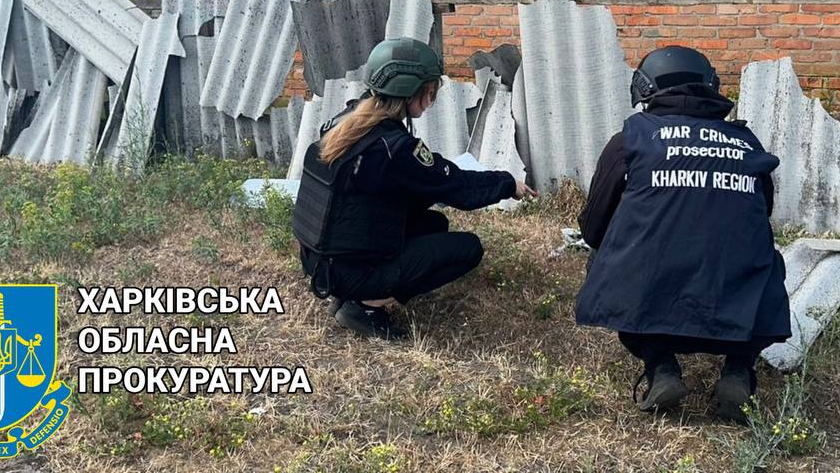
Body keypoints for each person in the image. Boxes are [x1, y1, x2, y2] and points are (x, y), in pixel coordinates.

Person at [574, 46, 791, 421]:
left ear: (643, 89)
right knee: (770, 262)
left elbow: (593, 228)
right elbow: (761, 218)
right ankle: (738, 370)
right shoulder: (746, 142)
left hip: (653, 309)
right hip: (737, 315)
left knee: (602, 260)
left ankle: (662, 367)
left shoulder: (630, 138)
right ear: (711, 86)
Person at [293, 38, 536, 340]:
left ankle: (351, 291)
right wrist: (508, 184)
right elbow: (458, 188)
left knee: (433, 224)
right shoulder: (393, 149)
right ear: (410, 90)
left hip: (321, 261)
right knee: (467, 248)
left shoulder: (345, 121)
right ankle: (365, 305)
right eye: (430, 91)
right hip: (345, 269)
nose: (431, 99)